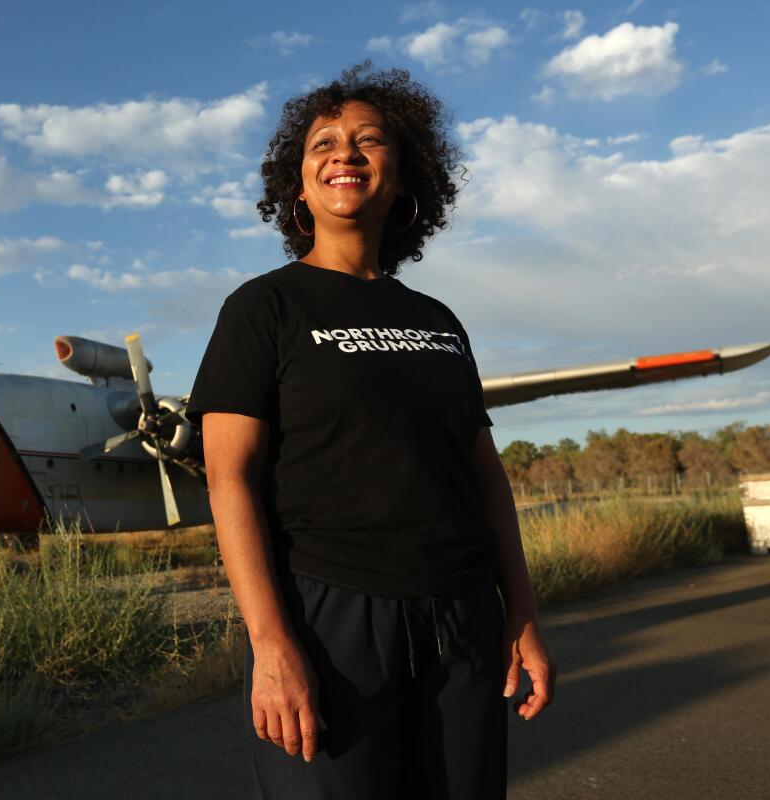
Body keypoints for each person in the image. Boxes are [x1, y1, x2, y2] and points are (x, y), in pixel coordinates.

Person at [183, 62, 557, 799]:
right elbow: (231, 478)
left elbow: (484, 475)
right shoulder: (264, 309)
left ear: (405, 178)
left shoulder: (439, 321)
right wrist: (271, 644)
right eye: (322, 143)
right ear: (298, 188)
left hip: (463, 621)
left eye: (368, 140)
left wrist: (521, 614)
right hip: (333, 623)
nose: (344, 153)